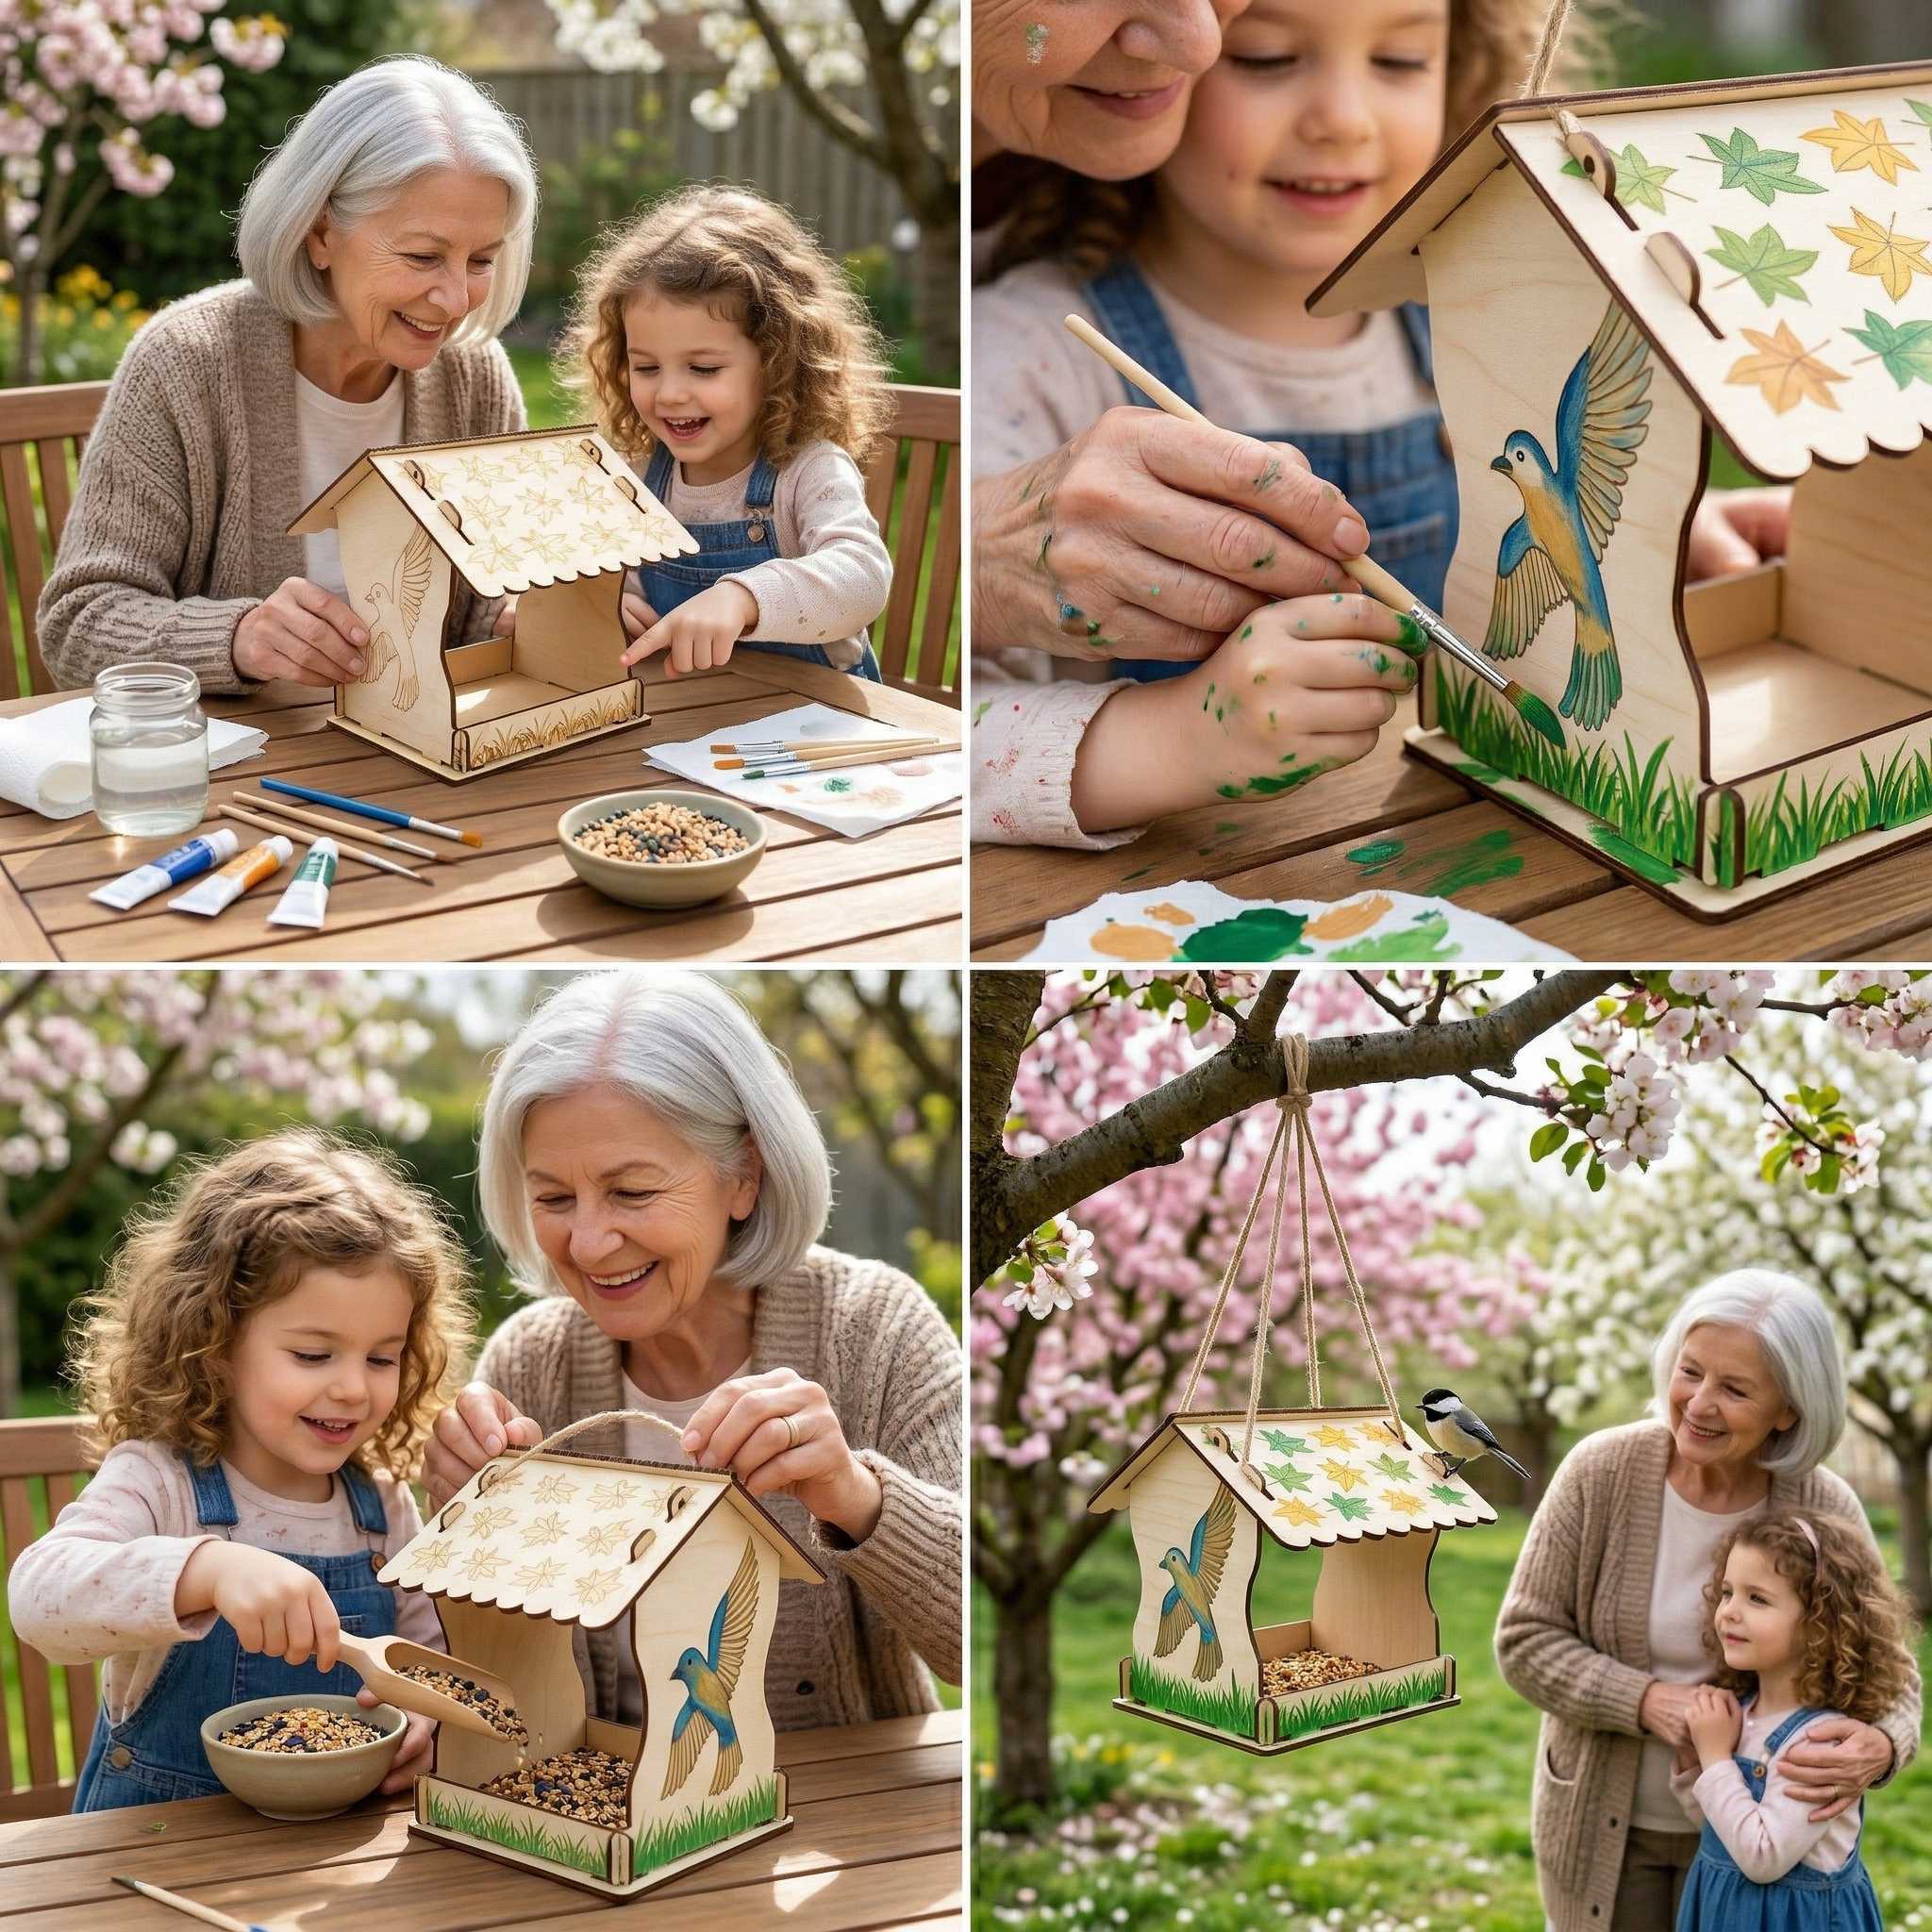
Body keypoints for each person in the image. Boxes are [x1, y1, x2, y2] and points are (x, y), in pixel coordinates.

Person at [424, 970, 961, 1738]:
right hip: (617, 1830)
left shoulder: (876, 1330)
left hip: (859, 1820)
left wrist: (854, 1497)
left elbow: (976, 1643)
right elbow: (495, 1689)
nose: (588, 1241)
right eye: (552, 1198)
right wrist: (465, 1530)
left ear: (744, 1174)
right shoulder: (527, 1367)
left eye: (632, 1192)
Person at [38, 56, 537, 693]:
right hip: (241, 770)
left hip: (425, 764)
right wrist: (238, 638)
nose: (455, 298)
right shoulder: (186, 363)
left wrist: (529, 615)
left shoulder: (476, 377)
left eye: (481, 260)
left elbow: (497, 592)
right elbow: (78, 624)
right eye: (422, 256)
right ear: (320, 231)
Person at [8, 1134, 476, 1808]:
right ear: (216, 1344)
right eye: (314, 1355)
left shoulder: (380, 1506)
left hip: (326, 1867)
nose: (352, 1388)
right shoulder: (159, 1482)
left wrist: (427, 1716)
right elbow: (38, 1600)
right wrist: (209, 1572)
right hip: (150, 1855)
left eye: (381, 1358)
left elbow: (424, 1651)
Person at [1494, 1270, 1921, 1932]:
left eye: (1735, 1389)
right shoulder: (1599, 1472)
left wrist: (1883, 1744)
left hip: (1770, 1855)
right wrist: (1648, 1703)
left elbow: (1890, 1669)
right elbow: (1525, 1638)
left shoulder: (1822, 1505)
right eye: (1690, 1372)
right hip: (1608, 1830)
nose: (1698, 1403)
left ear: (1789, 1410)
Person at [557, 184, 893, 682]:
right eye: (647, 368)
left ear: (778, 364)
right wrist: (614, 602)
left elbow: (863, 578)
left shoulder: (808, 471)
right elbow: (611, 577)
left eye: (704, 368)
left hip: (820, 720)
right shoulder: (637, 474)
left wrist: (744, 597)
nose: (669, 393)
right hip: (689, 723)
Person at [1668, 1509, 1912, 1931]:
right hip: (1725, 1914)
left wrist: (1714, 1758)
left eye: (1756, 1598)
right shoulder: (1742, 1713)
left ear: (1820, 1622)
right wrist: (1694, 1764)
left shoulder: (1823, 1742)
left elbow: (1763, 1857)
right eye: (1727, 1592)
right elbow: (1721, 1830)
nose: (1729, 1611)